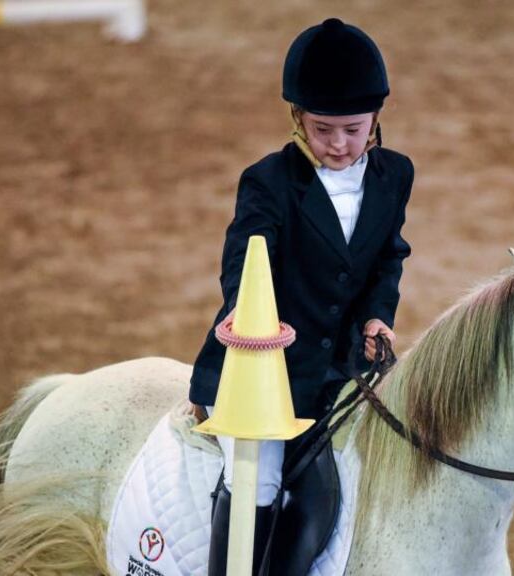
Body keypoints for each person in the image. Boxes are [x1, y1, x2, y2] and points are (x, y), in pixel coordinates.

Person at [189, 18, 413, 575]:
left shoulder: (395, 175)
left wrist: (377, 317)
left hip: (337, 372)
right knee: (258, 480)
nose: (339, 145)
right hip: (259, 364)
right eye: (323, 129)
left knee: (334, 490)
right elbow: (244, 263)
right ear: (297, 119)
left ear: (375, 121)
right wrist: (254, 315)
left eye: (353, 130)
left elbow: (387, 256)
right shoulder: (268, 182)